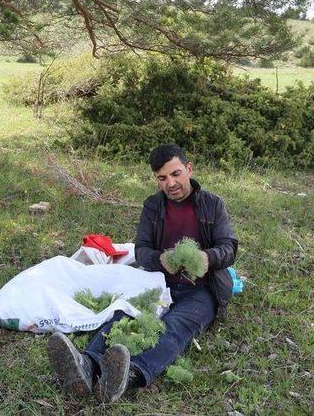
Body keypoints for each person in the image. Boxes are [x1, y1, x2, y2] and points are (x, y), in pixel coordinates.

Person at [48, 143, 238, 403]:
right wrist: (160, 259)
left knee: (173, 328)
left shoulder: (212, 204)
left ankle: (128, 376)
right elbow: (142, 249)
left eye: (176, 174)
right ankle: (86, 366)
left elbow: (229, 247)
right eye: (162, 178)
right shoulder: (153, 206)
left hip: (200, 291)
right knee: (123, 315)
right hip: (159, 284)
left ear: (189, 169)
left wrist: (208, 256)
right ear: (156, 180)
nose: (170, 183)